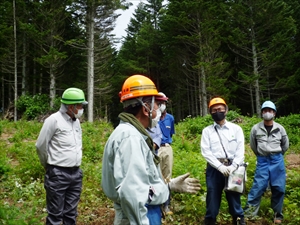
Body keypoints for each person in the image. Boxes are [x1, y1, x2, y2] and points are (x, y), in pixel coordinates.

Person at [101, 74, 201, 225]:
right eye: (156, 105)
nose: (159, 110)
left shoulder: (131, 133)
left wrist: (168, 186)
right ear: (145, 108)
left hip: (143, 211)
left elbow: (141, 183)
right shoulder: (130, 137)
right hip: (141, 215)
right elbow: (133, 193)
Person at [36, 87, 88, 225]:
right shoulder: (53, 120)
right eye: (80, 105)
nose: (82, 108)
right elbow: (40, 146)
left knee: (71, 215)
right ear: (70, 106)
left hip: (76, 174)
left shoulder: (76, 122)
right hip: (58, 174)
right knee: (55, 216)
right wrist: (48, 166)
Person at [201, 97, 246, 225]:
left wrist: (234, 166)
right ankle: (210, 221)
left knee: (234, 200)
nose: (217, 112)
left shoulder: (236, 129)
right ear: (210, 112)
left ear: (226, 110)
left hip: (234, 169)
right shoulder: (207, 131)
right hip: (214, 170)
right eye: (214, 110)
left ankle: (238, 221)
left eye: (220, 109)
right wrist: (219, 166)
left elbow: (240, 150)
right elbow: (206, 152)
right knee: (212, 200)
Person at [244, 100, 289, 224]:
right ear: (262, 113)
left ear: (274, 113)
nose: (267, 113)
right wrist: (261, 155)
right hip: (262, 160)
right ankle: (249, 215)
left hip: (277, 160)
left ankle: (277, 216)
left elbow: (285, 145)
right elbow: (253, 145)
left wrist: (277, 155)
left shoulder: (280, 129)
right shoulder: (256, 128)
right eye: (265, 111)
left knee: (278, 188)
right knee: (258, 187)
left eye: (270, 111)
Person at [156, 92, 175, 214]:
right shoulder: (152, 118)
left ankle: (166, 204)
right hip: (155, 148)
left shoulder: (170, 118)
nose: (161, 105)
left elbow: (171, 133)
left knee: (167, 176)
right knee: (156, 175)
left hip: (167, 147)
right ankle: (156, 204)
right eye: (159, 103)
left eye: (163, 103)